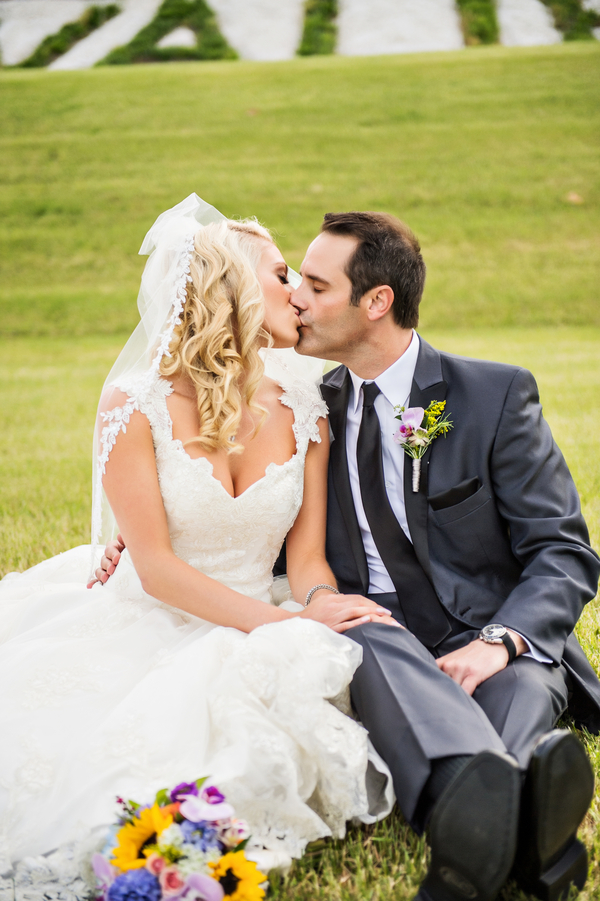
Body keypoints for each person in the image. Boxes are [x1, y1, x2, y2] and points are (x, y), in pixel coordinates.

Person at [99, 209, 600, 901]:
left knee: (514, 692)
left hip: (491, 634)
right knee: (369, 630)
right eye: (290, 280)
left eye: (314, 285)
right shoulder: (313, 402)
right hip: (377, 633)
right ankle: (524, 840)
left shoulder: (490, 396)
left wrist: (497, 642)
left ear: (377, 302)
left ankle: (484, 834)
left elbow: (563, 550)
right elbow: (240, 514)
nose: (298, 298)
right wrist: (137, 532)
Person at [0, 196, 397, 897]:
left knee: (306, 678)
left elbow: (305, 559)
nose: (297, 294)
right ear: (234, 289)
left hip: (260, 603)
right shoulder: (134, 402)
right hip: (153, 612)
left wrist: (324, 605)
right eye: (281, 275)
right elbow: (154, 566)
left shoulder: (306, 408)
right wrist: (288, 623)